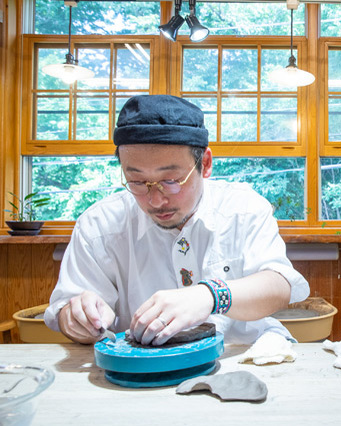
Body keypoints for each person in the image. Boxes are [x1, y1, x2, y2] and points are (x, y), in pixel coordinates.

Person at [44, 95, 309, 346]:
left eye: (170, 181)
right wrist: (78, 318)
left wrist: (210, 295)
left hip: (242, 353)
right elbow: (66, 313)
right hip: (146, 367)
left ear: (204, 164)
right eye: (136, 182)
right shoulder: (99, 226)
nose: (156, 200)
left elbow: (278, 286)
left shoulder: (243, 208)